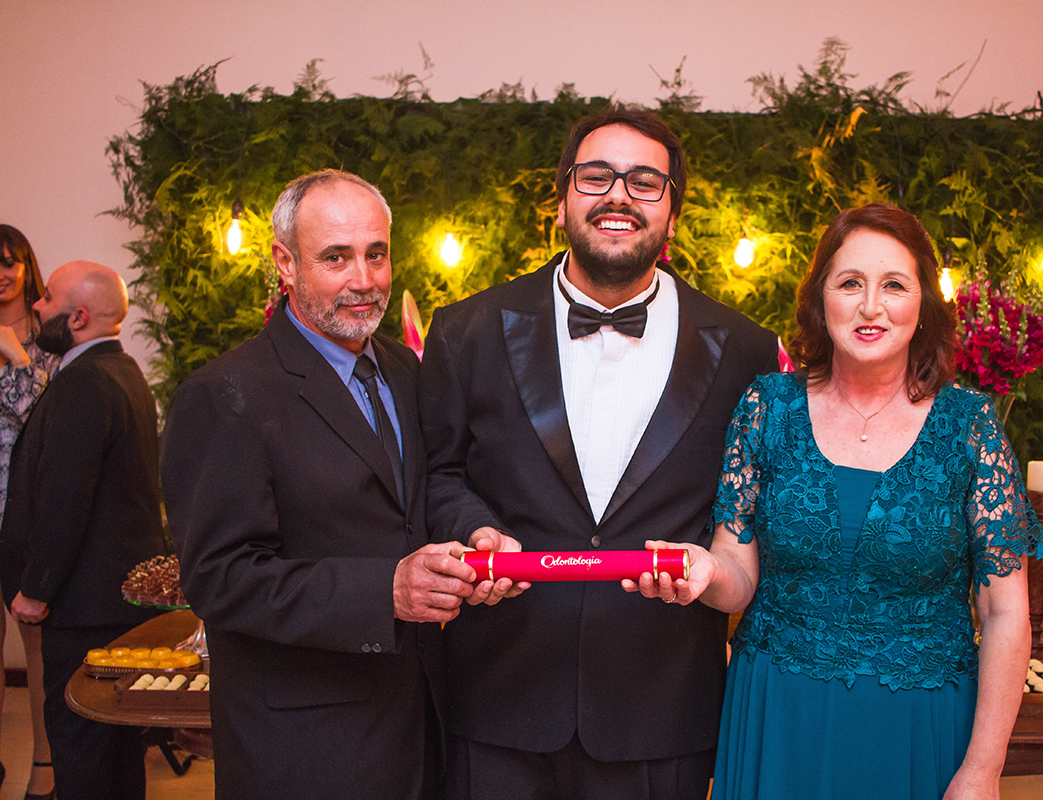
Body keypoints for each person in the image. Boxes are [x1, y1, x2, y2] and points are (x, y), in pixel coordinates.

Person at [627, 203, 1043, 799]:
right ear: (821, 300)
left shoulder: (969, 428)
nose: (871, 306)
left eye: (894, 285)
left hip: (917, 728)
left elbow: (1006, 613)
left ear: (923, 305)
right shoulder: (766, 408)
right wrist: (701, 571)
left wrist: (983, 769)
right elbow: (737, 573)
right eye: (850, 283)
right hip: (779, 715)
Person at [420, 108, 779, 800]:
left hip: (659, 711)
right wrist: (474, 531)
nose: (618, 196)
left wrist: (706, 565)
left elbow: (745, 515)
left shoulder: (746, 351)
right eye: (596, 177)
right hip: (499, 701)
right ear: (560, 201)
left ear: (673, 213)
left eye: (646, 182)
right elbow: (437, 474)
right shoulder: (465, 330)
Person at [161, 169, 479, 800]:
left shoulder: (404, 370)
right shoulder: (225, 396)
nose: (363, 280)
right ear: (286, 263)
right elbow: (219, 579)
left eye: (376, 254)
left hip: (419, 723)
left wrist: (473, 539)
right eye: (336, 257)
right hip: (305, 748)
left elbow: (418, 503)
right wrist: (382, 590)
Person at [0, 260, 165, 800]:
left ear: (77, 318)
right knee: (115, 750)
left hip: (85, 605)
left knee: (83, 753)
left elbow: (67, 498)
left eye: (46, 299)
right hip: (114, 602)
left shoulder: (84, 382)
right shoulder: (124, 372)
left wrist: (36, 588)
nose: (36, 307)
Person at [0, 225, 58, 800]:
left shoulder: (49, 336)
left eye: (9, 262)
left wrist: (14, 355)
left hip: (29, 511)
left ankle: (44, 768)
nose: (0, 274)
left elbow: (41, 416)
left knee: (37, 648)